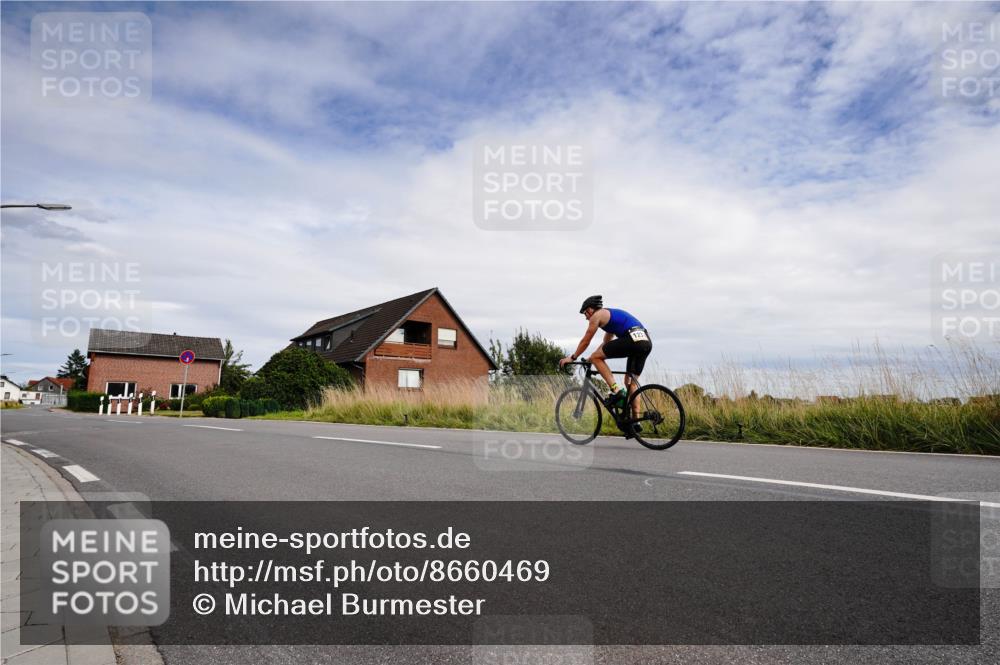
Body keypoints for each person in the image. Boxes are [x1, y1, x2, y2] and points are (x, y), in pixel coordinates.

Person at [559, 295, 652, 436]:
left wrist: (572, 357)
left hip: (631, 339)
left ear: (591, 309)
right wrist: (592, 357)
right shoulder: (610, 318)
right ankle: (635, 422)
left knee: (597, 358)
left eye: (585, 313)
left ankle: (616, 391)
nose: (586, 317)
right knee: (631, 383)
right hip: (645, 342)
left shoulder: (597, 315)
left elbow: (586, 340)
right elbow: (606, 344)